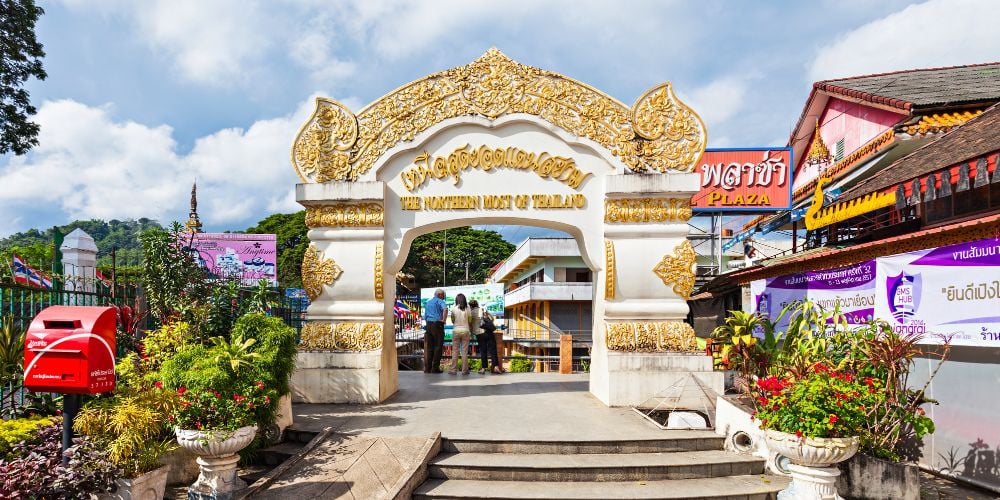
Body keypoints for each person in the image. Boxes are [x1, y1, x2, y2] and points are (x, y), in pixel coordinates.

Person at [448, 293, 478, 375]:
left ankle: (453, 370)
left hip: (456, 331)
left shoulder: (453, 308)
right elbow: (470, 321)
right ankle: (465, 370)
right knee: (464, 352)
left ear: (456, 300)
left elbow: (453, 321)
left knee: (455, 351)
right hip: (466, 331)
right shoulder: (468, 308)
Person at [423, 289, 448, 373]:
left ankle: (427, 368)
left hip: (428, 324)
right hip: (437, 324)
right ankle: (435, 368)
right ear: (440, 295)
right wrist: (443, 320)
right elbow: (445, 309)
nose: (444, 297)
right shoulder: (440, 301)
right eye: (443, 295)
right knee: (438, 346)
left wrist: (428, 324)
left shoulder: (428, 302)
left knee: (429, 347)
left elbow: (425, 316)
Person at [476, 305, 502, 374]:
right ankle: (496, 367)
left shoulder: (479, 318)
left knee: (483, 351)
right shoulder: (489, 318)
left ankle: (483, 368)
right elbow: (493, 319)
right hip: (490, 335)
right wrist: (487, 313)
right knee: (493, 351)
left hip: (482, 335)